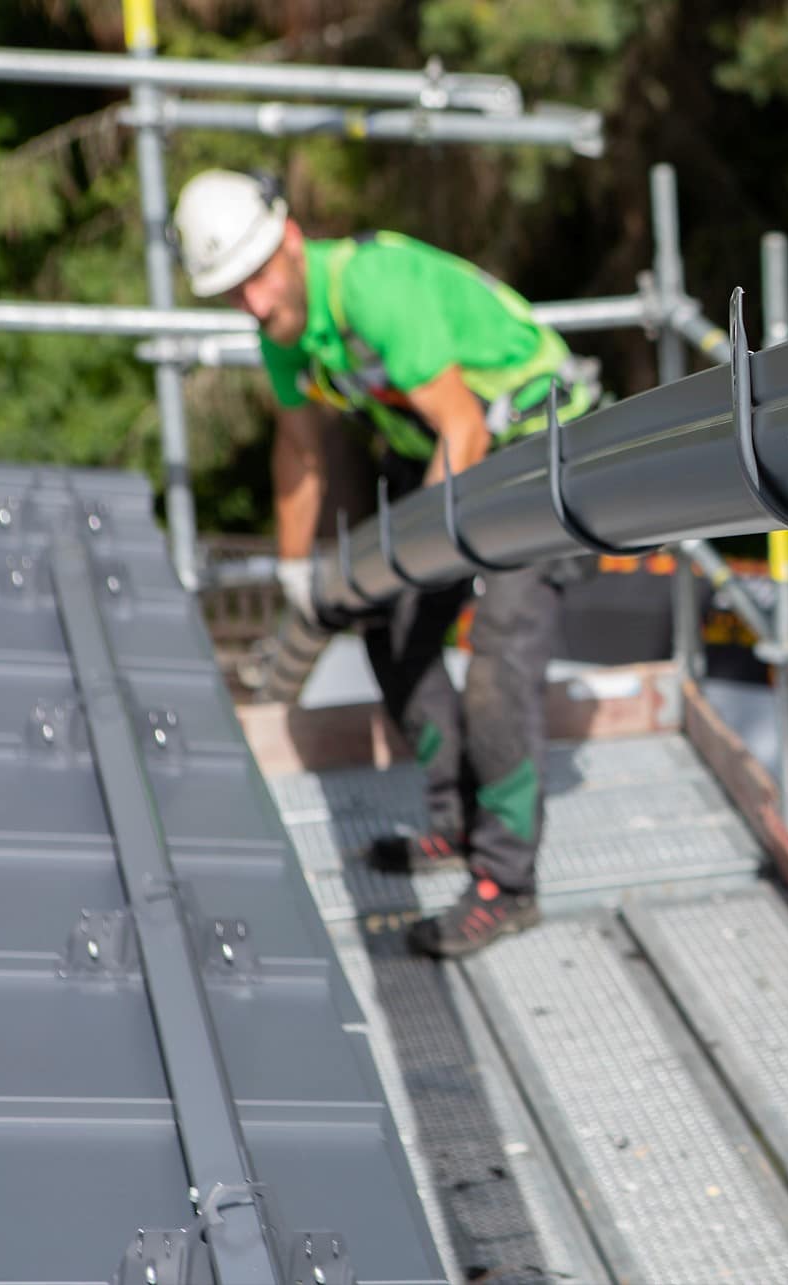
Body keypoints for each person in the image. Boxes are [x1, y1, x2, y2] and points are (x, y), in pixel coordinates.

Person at [173, 169, 602, 957]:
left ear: (292, 240)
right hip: (446, 460)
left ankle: (508, 883)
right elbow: (299, 448)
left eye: (259, 278)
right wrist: (296, 569)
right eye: (232, 292)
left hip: (538, 449)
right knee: (387, 628)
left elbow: (463, 431)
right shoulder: (284, 334)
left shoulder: (370, 286)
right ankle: (456, 821)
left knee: (501, 654)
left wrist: (413, 566)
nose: (255, 305)